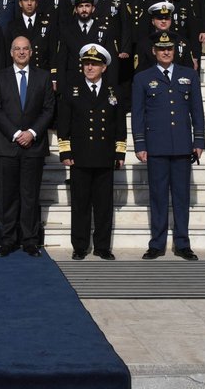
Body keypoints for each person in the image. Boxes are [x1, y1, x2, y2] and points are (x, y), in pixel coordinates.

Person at [132, 31, 205, 261]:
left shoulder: (189, 75)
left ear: (174, 51)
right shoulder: (143, 78)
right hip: (156, 145)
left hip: (183, 145)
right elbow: (138, 114)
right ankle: (157, 243)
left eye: (170, 49)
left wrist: (199, 140)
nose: (166, 52)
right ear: (154, 51)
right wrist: (140, 143)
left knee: (182, 197)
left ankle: (183, 244)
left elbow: (197, 110)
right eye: (161, 49)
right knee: (158, 196)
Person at [58, 44, 126, 260]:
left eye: (94, 64)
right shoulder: (72, 89)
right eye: (87, 63)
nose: (90, 67)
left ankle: (102, 247)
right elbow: (64, 124)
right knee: (80, 205)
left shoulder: (113, 90)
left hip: (105, 156)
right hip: (80, 156)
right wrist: (65, 153)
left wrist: (120, 153)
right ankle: (80, 246)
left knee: (104, 205)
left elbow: (119, 125)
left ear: (103, 67)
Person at [0, 36, 55, 257]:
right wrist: (17, 133)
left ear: (31, 51)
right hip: (6, 145)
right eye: (17, 49)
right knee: (7, 195)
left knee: (30, 195)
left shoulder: (43, 77)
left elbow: (48, 109)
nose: (21, 52)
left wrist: (32, 133)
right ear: (10, 52)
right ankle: (8, 239)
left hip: (33, 146)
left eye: (25, 49)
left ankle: (29, 240)